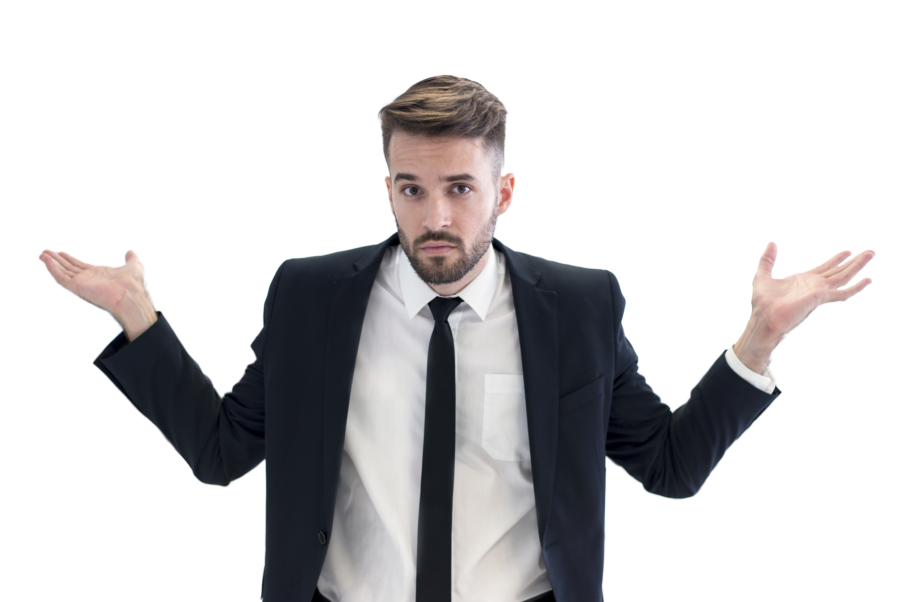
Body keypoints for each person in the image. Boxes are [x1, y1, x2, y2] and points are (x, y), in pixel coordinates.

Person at [38, 75, 875, 602]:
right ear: (391, 187)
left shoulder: (579, 307)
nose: (436, 218)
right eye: (412, 188)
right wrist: (139, 319)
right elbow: (223, 451)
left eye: (460, 188)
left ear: (503, 190)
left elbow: (670, 466)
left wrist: (758, 340)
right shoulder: (309, 295)